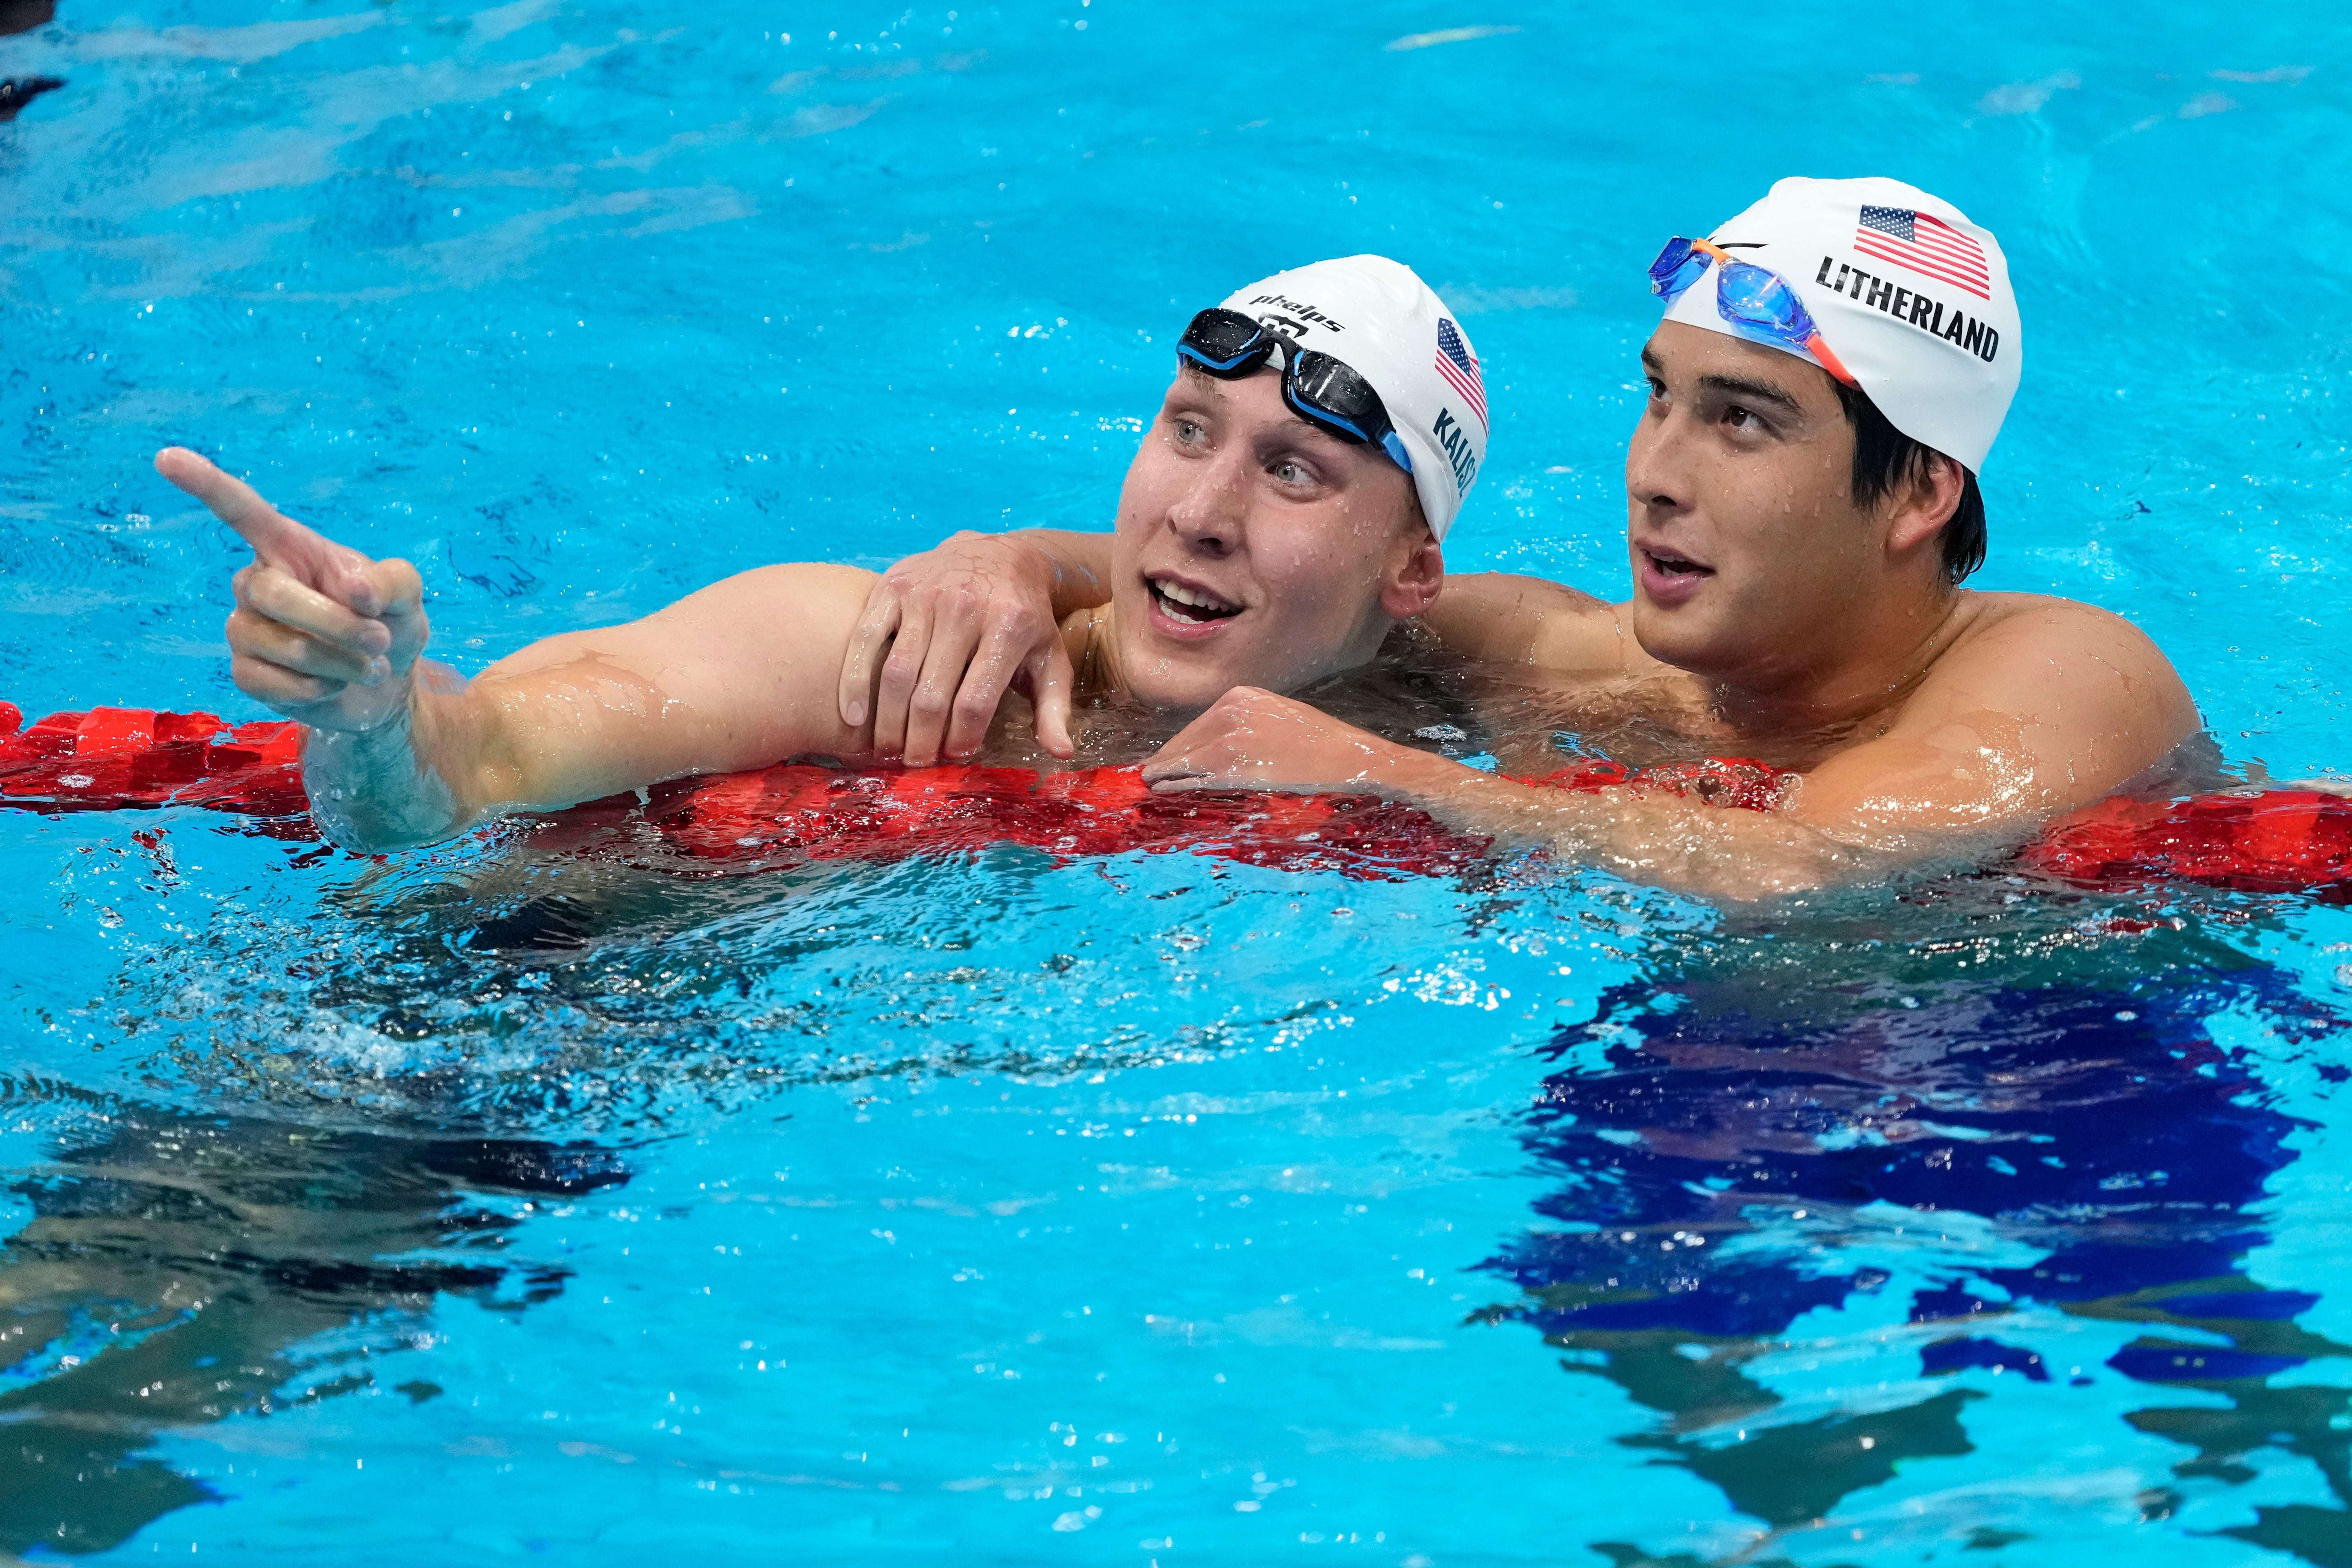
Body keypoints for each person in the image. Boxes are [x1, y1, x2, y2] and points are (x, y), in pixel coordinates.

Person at [844, 177, 2201, 894]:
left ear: (1920, 494)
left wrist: (1392, 776)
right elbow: (1260, 574)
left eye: (1741, 422)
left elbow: (1812, 865)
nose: (1656, 475)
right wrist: (1009, 560)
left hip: (2085, 1057)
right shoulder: (1578, 656)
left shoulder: (2071, 672)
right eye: (1659, 398)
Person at [164, 256, 1493, 854]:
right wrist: (371, 710)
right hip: (468, 1020)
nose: (1201, 511)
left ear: (1411, 572)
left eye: (1294, 471)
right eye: (1188, 430)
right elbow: (471, 770)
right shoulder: (873, 653)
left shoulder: (1463, 716)